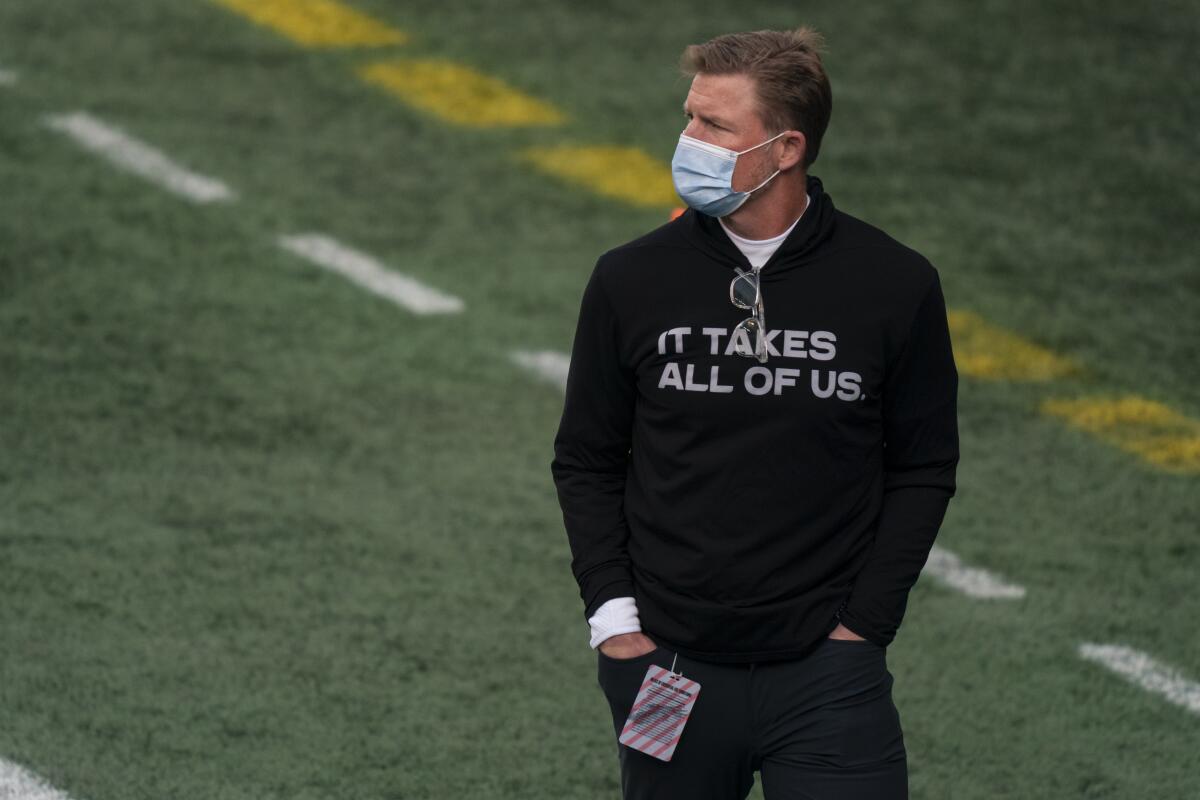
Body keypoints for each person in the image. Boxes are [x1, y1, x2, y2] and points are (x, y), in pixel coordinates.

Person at [550, 26, 959, 800]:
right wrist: (615, 627)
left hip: (831, 680)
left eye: (714, 125)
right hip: (663, 668)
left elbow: (924, 467)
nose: (688, 140)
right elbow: (587, 460)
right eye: (690, 117)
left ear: (786, 148)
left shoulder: (895, 285)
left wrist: (863, 629)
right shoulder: (629, 279)